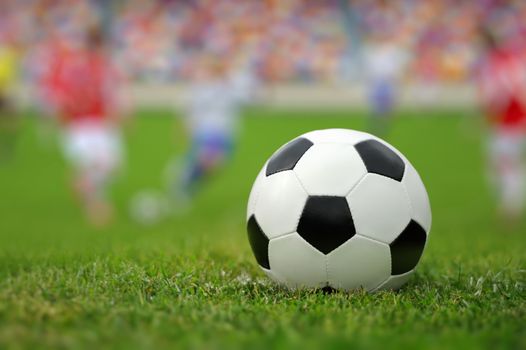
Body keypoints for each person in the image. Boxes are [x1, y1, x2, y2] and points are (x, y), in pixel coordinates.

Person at [42, 27, 127, 226]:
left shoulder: (97, 66)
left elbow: (110, 92)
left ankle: (88, 191)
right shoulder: (76, 66)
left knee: (111, 166)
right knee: (98, 164)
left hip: (98, 123)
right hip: (80, 124)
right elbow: (58, 97)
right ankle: (95, 206)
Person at [168, 55, 255, 209]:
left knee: (215, 167)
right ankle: (182, 180)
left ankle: (186, 182)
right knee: (209, 162)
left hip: (226, 134)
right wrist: (184, 127)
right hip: (207, 131)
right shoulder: (200, 86)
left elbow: (248, 99)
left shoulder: (230, 85)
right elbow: (189, 108)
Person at [477, 26, 526, 225]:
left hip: (508, 122)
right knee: (506, 164)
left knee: (503, 165)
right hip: (515, 120)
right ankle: (510, 203)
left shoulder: (495, 64)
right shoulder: (513, 59)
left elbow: (499, 96)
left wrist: (487, 115)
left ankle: (509, 206)